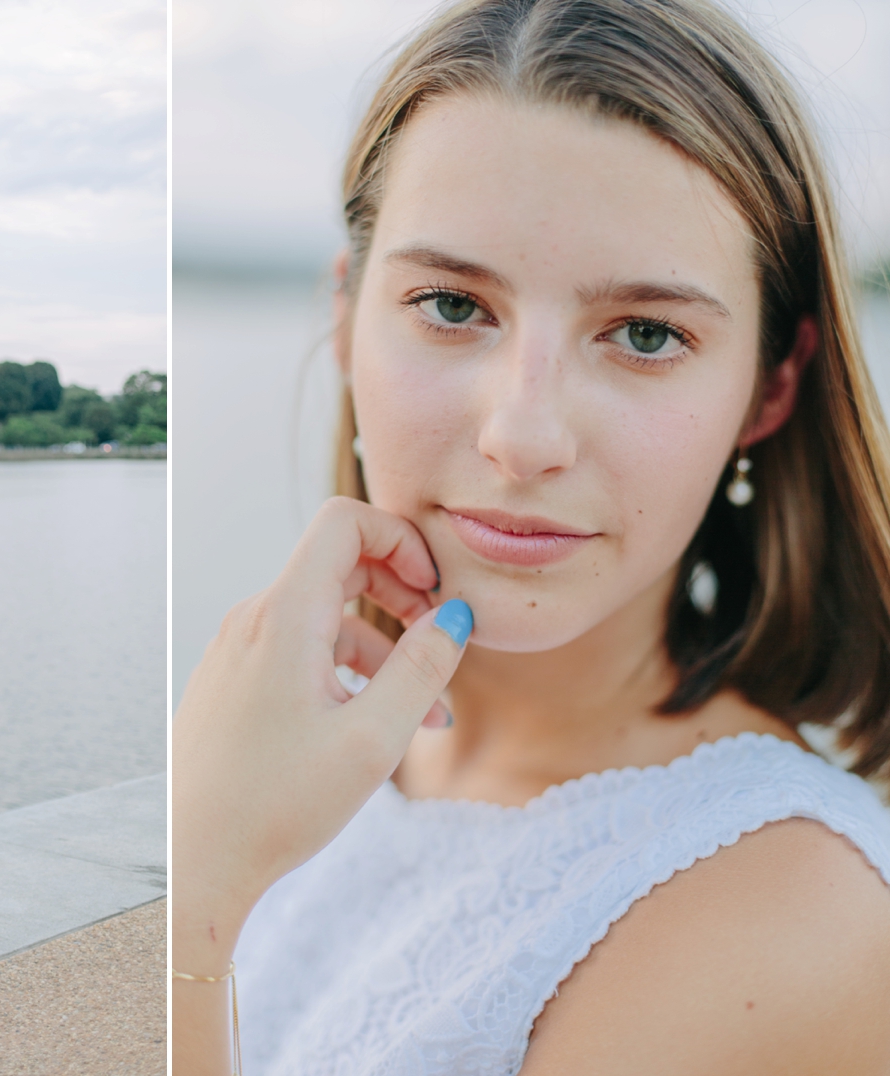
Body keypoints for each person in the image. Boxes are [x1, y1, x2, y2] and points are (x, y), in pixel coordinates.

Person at [173, 0, 890, 1072]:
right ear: (346, 315)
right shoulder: (298, 740)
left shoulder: (789, 910)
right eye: (453, 305)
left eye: (646, 334)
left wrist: (194, 900)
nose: (523, 433)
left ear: (771, 385)